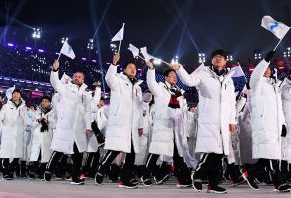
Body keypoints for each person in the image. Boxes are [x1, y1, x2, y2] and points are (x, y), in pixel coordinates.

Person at [174, 49, 247, 194]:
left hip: (224, 121)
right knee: (213, 150)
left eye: (221, 57)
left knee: (220, 153)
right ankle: (198, 174)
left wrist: (232, 121)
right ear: (212, 60)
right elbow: (189, 81)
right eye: (215, 57)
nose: (218, 59)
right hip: (209, 118)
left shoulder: (229, 78)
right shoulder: (203, 73)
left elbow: (231, 102)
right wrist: (180, 69)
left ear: (225, 61)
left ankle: (213, 184)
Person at [140, 59, 195, 187]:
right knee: (155, 152)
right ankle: (145, 175)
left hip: (176, 127)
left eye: (176, 76)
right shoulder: (160, 88)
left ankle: (183, 179)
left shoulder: (178, 92)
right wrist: (151, 69)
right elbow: (151, 83)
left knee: (178, 154)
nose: (175, 78)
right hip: (163, 124)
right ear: (165, 77)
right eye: (172, 76)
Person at [95, 53, 145, 189]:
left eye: (134, 68)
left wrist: (140, 125)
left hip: (133, 125)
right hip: (121, 122)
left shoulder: (138, 87)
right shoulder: (118, 80)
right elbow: (109, 78)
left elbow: (139, 107)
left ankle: (125, 179)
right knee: (117, 148)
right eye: (130, 67)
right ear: (124, 70)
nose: (133, 69)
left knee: (132, 151)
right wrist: (113, 64)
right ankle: (103, 167)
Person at [246, 51, 291, 192]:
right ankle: (278, 183)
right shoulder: (257, 84)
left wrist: (283, 123)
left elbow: (279, 108)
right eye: (264, 68)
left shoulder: (274, 86)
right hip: (264, 124)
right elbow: (255, 75)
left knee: (268, 155)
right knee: (271, 154)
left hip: (275, 125)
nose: (267, 70)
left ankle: (250, 174)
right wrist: (265, 61)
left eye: (269, 68)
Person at [46, 59, 93, 185]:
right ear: (73, 78)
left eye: (80, 77)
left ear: (83, 80)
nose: (77, 78)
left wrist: (88, 127)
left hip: (78, 128)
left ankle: (75, 177)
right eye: (75, 76)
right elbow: (55, 83)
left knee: (78, 154)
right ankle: (49, 170)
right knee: (60, 150)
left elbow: (88, 112)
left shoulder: (86, 95)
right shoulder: (66, 88)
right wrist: (55, 70)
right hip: (66, 125)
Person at [0, 88, 28, 180]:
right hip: (8, 134)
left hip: (18, 134)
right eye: (14, 94)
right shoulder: (6, 106)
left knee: (16, 155)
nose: (15, 95)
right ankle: (5, 173)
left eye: (17, 94)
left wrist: (23, 118)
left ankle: (10, 171)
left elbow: (27, 121)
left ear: (20, 95)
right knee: (6, 154)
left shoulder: (24, 108)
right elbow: (0, 117)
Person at [27, 95, 56, 179]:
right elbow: (32, 124)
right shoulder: (37, 112)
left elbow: (54, 125)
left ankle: (42, 172)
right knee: (35, 153)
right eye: (43, 101)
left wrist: (49, 121)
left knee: (46, 154)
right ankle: (31, 171)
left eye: (45, 101)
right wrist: (38, 120)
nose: (43, 103)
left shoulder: (53, 112)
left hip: (47, 135)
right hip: (37, 135)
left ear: (50, 103)